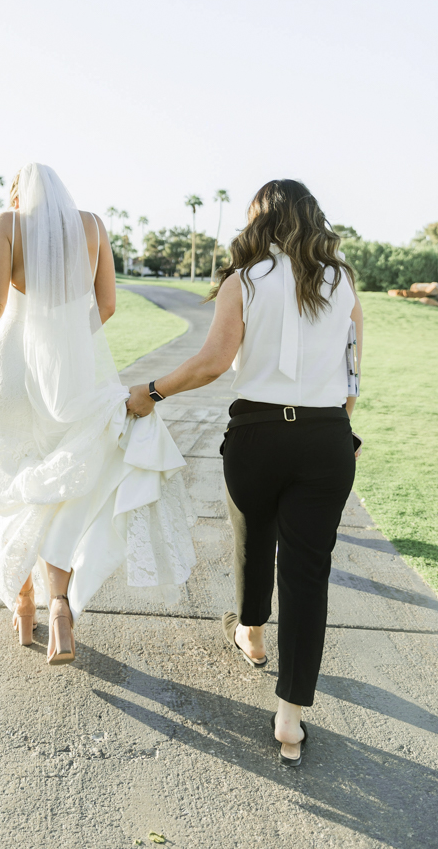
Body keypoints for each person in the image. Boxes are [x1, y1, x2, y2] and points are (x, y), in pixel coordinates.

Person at [127, 179, 363, 765]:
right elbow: (354, 367)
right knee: (309, 574)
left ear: (259, 220)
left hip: (257, 433)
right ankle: (289, 719)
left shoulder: (246, 281)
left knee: (253, 539)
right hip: (327, 435)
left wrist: (150, 392)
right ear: (313, 219)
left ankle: (253, 638)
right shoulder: (343, 281)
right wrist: (340, 427)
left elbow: (212, 364)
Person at [0, 162, 195, 665]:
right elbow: (108, 305)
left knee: (9, 475)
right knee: (66, 482)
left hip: (11, 366)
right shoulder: (93, 226)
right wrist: (65, 341)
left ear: (17, 196)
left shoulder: (8, 223)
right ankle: (59, 605)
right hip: (71, 371)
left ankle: (22, 597)